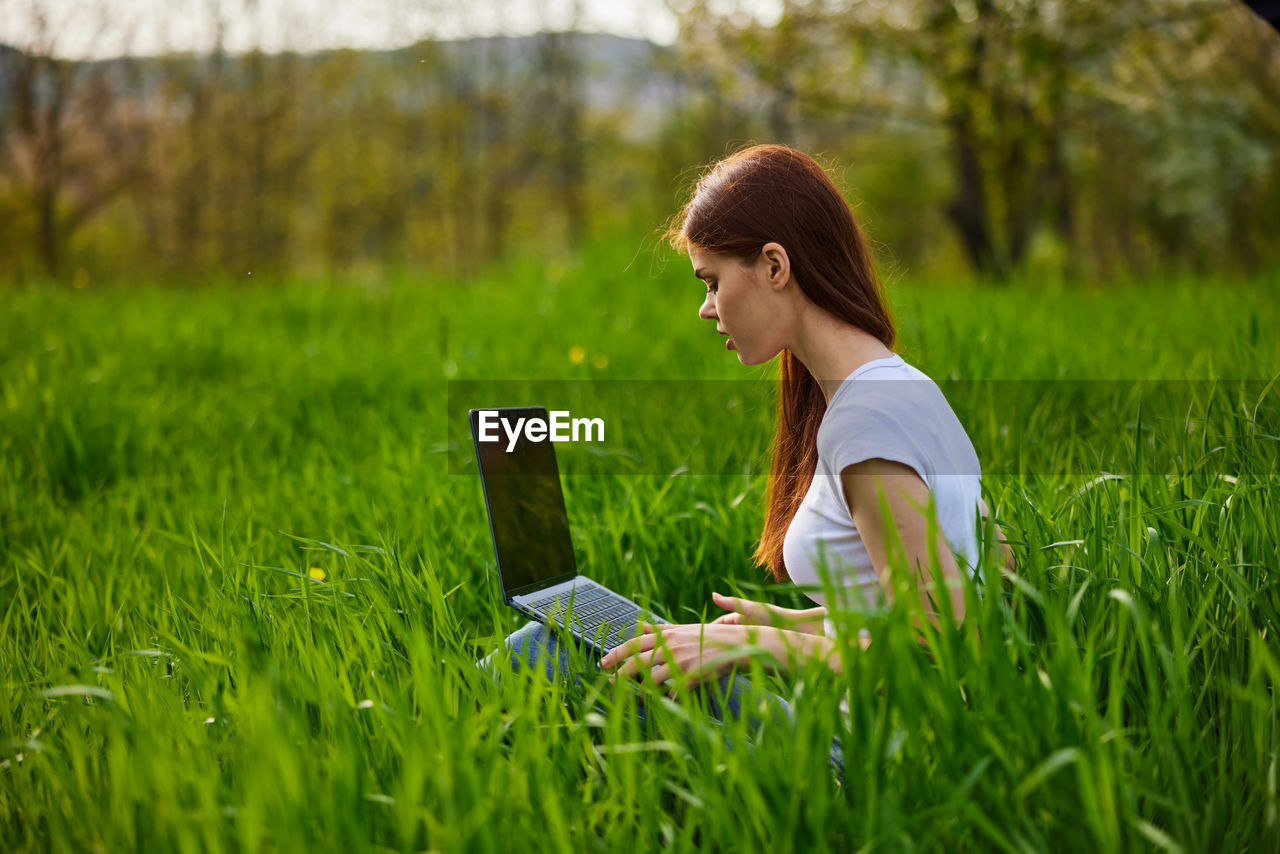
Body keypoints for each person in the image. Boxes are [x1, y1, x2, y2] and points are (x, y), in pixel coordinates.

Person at [482, 143, 1012, 778]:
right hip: (869, 740)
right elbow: (989, 572)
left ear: (773, 265)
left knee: (545, 652)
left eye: (711, 282)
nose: (706, 308)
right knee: (604, 645)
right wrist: (801, 622)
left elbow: (945, 643)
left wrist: (751, 643)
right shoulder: (902, 387)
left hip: (877, 772)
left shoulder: (864, 425)